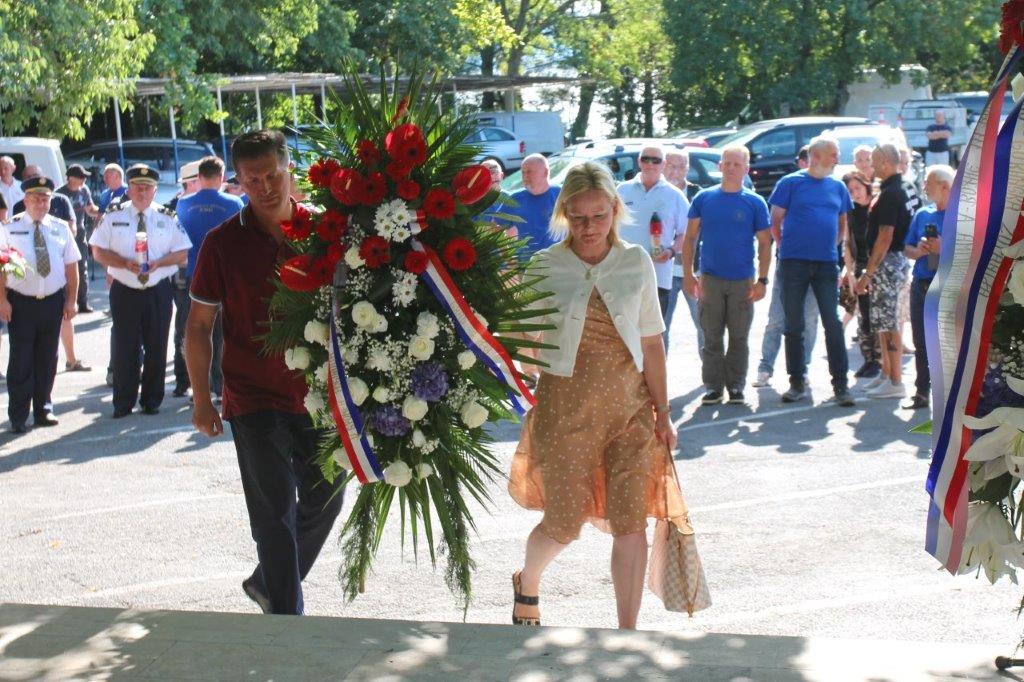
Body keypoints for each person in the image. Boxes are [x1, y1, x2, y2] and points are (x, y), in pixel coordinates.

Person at [507, 161, 693, 629]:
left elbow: (652, 342)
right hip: (564, 412)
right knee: (564, 521)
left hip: (630, 413)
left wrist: (664, 414)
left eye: (599, 216)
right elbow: (518, 339)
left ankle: (626, 631)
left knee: (632, 524)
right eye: (579, 218)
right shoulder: (545, 265)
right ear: (565, 213)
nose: (589, 228)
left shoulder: (635, 262)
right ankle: (528, 580)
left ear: (614, 209)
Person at [185, 130, 344, 616]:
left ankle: (267, 584)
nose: (266, 187)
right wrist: (200, 398)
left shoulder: (326, 231)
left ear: (288, 168)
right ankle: (286, 624)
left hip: (318, 394)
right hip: (252, 397)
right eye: (253, 180)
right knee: (273, 515)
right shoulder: (221, 244)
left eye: (272, 175)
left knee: (326, 499)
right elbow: (198, 325)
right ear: (238, 181)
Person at [90, 164, 192, 417]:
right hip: (124, 288)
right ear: (129, 188)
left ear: (155, 190)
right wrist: (121, 262)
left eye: (147, 187)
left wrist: (160, 262)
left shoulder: (168, 217)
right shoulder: (114, 215)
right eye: (136, 186)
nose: (142, 191)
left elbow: (182, 253)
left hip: (157, 289)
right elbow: (97, 250)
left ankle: (151, 400)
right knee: (126, 347)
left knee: (157, 345)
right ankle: (123, 402)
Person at [768, 136, 855, 406]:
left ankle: (840, 385)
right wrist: (785, 247)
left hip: (826, 264)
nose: (836, 159)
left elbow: (843, 224)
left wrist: (834, 248)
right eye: (833, 154)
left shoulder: (838, 187)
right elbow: (775, 220)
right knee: (794, 324)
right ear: (815, 156)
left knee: (833, 323)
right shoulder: (790, 183)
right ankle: (797, 381)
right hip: (793, 263)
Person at [683, 145, 771, 405]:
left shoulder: (754, 202)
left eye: (737, 164)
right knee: (711, 334)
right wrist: (688, 275)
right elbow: (690, 238)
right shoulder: (703, 198)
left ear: (746, 168)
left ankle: (736, 386)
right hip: (710, 278)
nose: (731, 168)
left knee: (739, 336)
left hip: (742, 280)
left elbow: (765, 243)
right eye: (727, 163)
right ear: (719, 166)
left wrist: (762, 280)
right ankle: (713, 387)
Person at [0, 177, 81, 433]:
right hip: (21, 303)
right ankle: (19, 414)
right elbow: (2, 267)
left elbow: (71, 266)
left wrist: (71, 300)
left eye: (45, 198)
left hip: (52, 301)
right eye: (35, 197)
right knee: (21, 359)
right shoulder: (9, 228)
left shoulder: (60, 227)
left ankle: (44, 407)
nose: (40, 202)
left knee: (48, 358)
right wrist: (1, 300)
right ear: (25, 200)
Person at [172, 156, 243, 399]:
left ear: (199, 178)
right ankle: (221, 385)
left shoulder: (182, 205)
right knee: (222, 332)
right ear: (221, 177)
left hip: (192, 274)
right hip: (225, 276)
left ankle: (194, 384)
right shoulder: (234, 203)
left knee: (193, 330)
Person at [854, 144, 912, 399]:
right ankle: (887, 374)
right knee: (881, 321)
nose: (872, 166)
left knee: (890, 323)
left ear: (887, 163)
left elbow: (885, 236)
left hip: (888, 263)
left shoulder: (892, 193)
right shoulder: (890, 190)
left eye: (876, 162)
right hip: (885, 264)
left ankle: (896, 380)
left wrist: (868, 273)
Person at [616, 145, 689, 348]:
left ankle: (655, 380)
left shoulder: (674, 195)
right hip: (623, 276)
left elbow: (687, 232)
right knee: (623, 336)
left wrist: (672, 251)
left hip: (658, 276)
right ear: (639, 161)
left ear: (663, 164)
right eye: (645, 159)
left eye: (656, 160)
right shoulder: (622, 190)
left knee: (653, 338)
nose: (650, 164)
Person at [902, 165, 953, 410]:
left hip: (947, 285)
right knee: (920, 341)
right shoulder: (923, 214)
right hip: (921, 284)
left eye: (929, 184)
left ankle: (949, 396)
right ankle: (921, 392)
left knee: (946, 343)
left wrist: (944, 250)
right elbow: (906, 248)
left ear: (945, 187)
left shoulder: (961, 216)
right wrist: (920, 250)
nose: (924, 188)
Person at [662, 149, 703, 356]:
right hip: (663, 271)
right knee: (661, 328)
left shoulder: (698, 194)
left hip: (694, 271)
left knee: (705, 325)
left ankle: (712, 379)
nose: (674, 171)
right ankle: (656, 380)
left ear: (687, 169)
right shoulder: (656, 192)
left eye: (680, 166)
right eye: (670, 165)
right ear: (663, 166)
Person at [843, 172, 881, 379]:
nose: (855, 193)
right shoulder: (851, 212)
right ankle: (869, 359)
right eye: (850, 191)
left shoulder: (877, 207)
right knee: (864, 316)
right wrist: (849, 273)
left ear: (866, 186)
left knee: (878, 316)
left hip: (877, 267)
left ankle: (880, 359)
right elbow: (848, 245)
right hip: (860, 268)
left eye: (857, 188)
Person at [56, 164, 99, 315]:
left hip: (80, 235)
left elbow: (90, 209)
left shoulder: (84, 190)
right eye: (81, 177)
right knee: (64, 268)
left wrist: (103, 212)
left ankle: (83, 302)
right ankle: (65, 300)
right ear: (71, 178)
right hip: (64, 235)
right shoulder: (60, 195)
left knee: (82, 268)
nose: (84, 179)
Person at [504, 154, 560, 257]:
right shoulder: (515, 199)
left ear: (546, 172)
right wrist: (508, 257)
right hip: (527, 266)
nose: (525, 176)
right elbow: (495, 228)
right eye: (523, 172)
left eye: (529, 172)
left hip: (558, 262)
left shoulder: (562, 195)